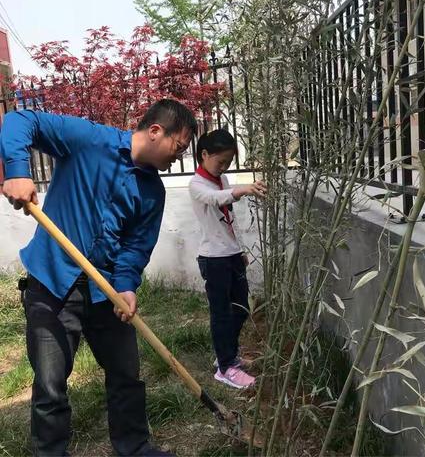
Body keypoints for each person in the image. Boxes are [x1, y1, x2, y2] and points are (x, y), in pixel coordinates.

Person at [0, 99, 197, 457]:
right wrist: (17, 170)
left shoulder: (153, 192)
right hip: (52, 283)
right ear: (155, 131)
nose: (179, 156)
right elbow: (19, 120)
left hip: (105, 291)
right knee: (50, 383)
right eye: (178, 146)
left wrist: (126, 285)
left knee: (126, 375)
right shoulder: (89, 140)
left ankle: (134, 446)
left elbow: (135, 247)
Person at [189, 129, 266, 389]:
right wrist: (241, 190)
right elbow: (216, 199)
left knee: (241, 308)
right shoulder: (197, 185)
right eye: (220, 162)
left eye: (228, 163)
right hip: (214, 259)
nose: (224, 167)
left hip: (231, 255)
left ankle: (226, 354)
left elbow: (230, 220)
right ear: (204, 155)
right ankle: (226, 367)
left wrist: (241, 249)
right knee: (221, 314)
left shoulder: (221, 180)